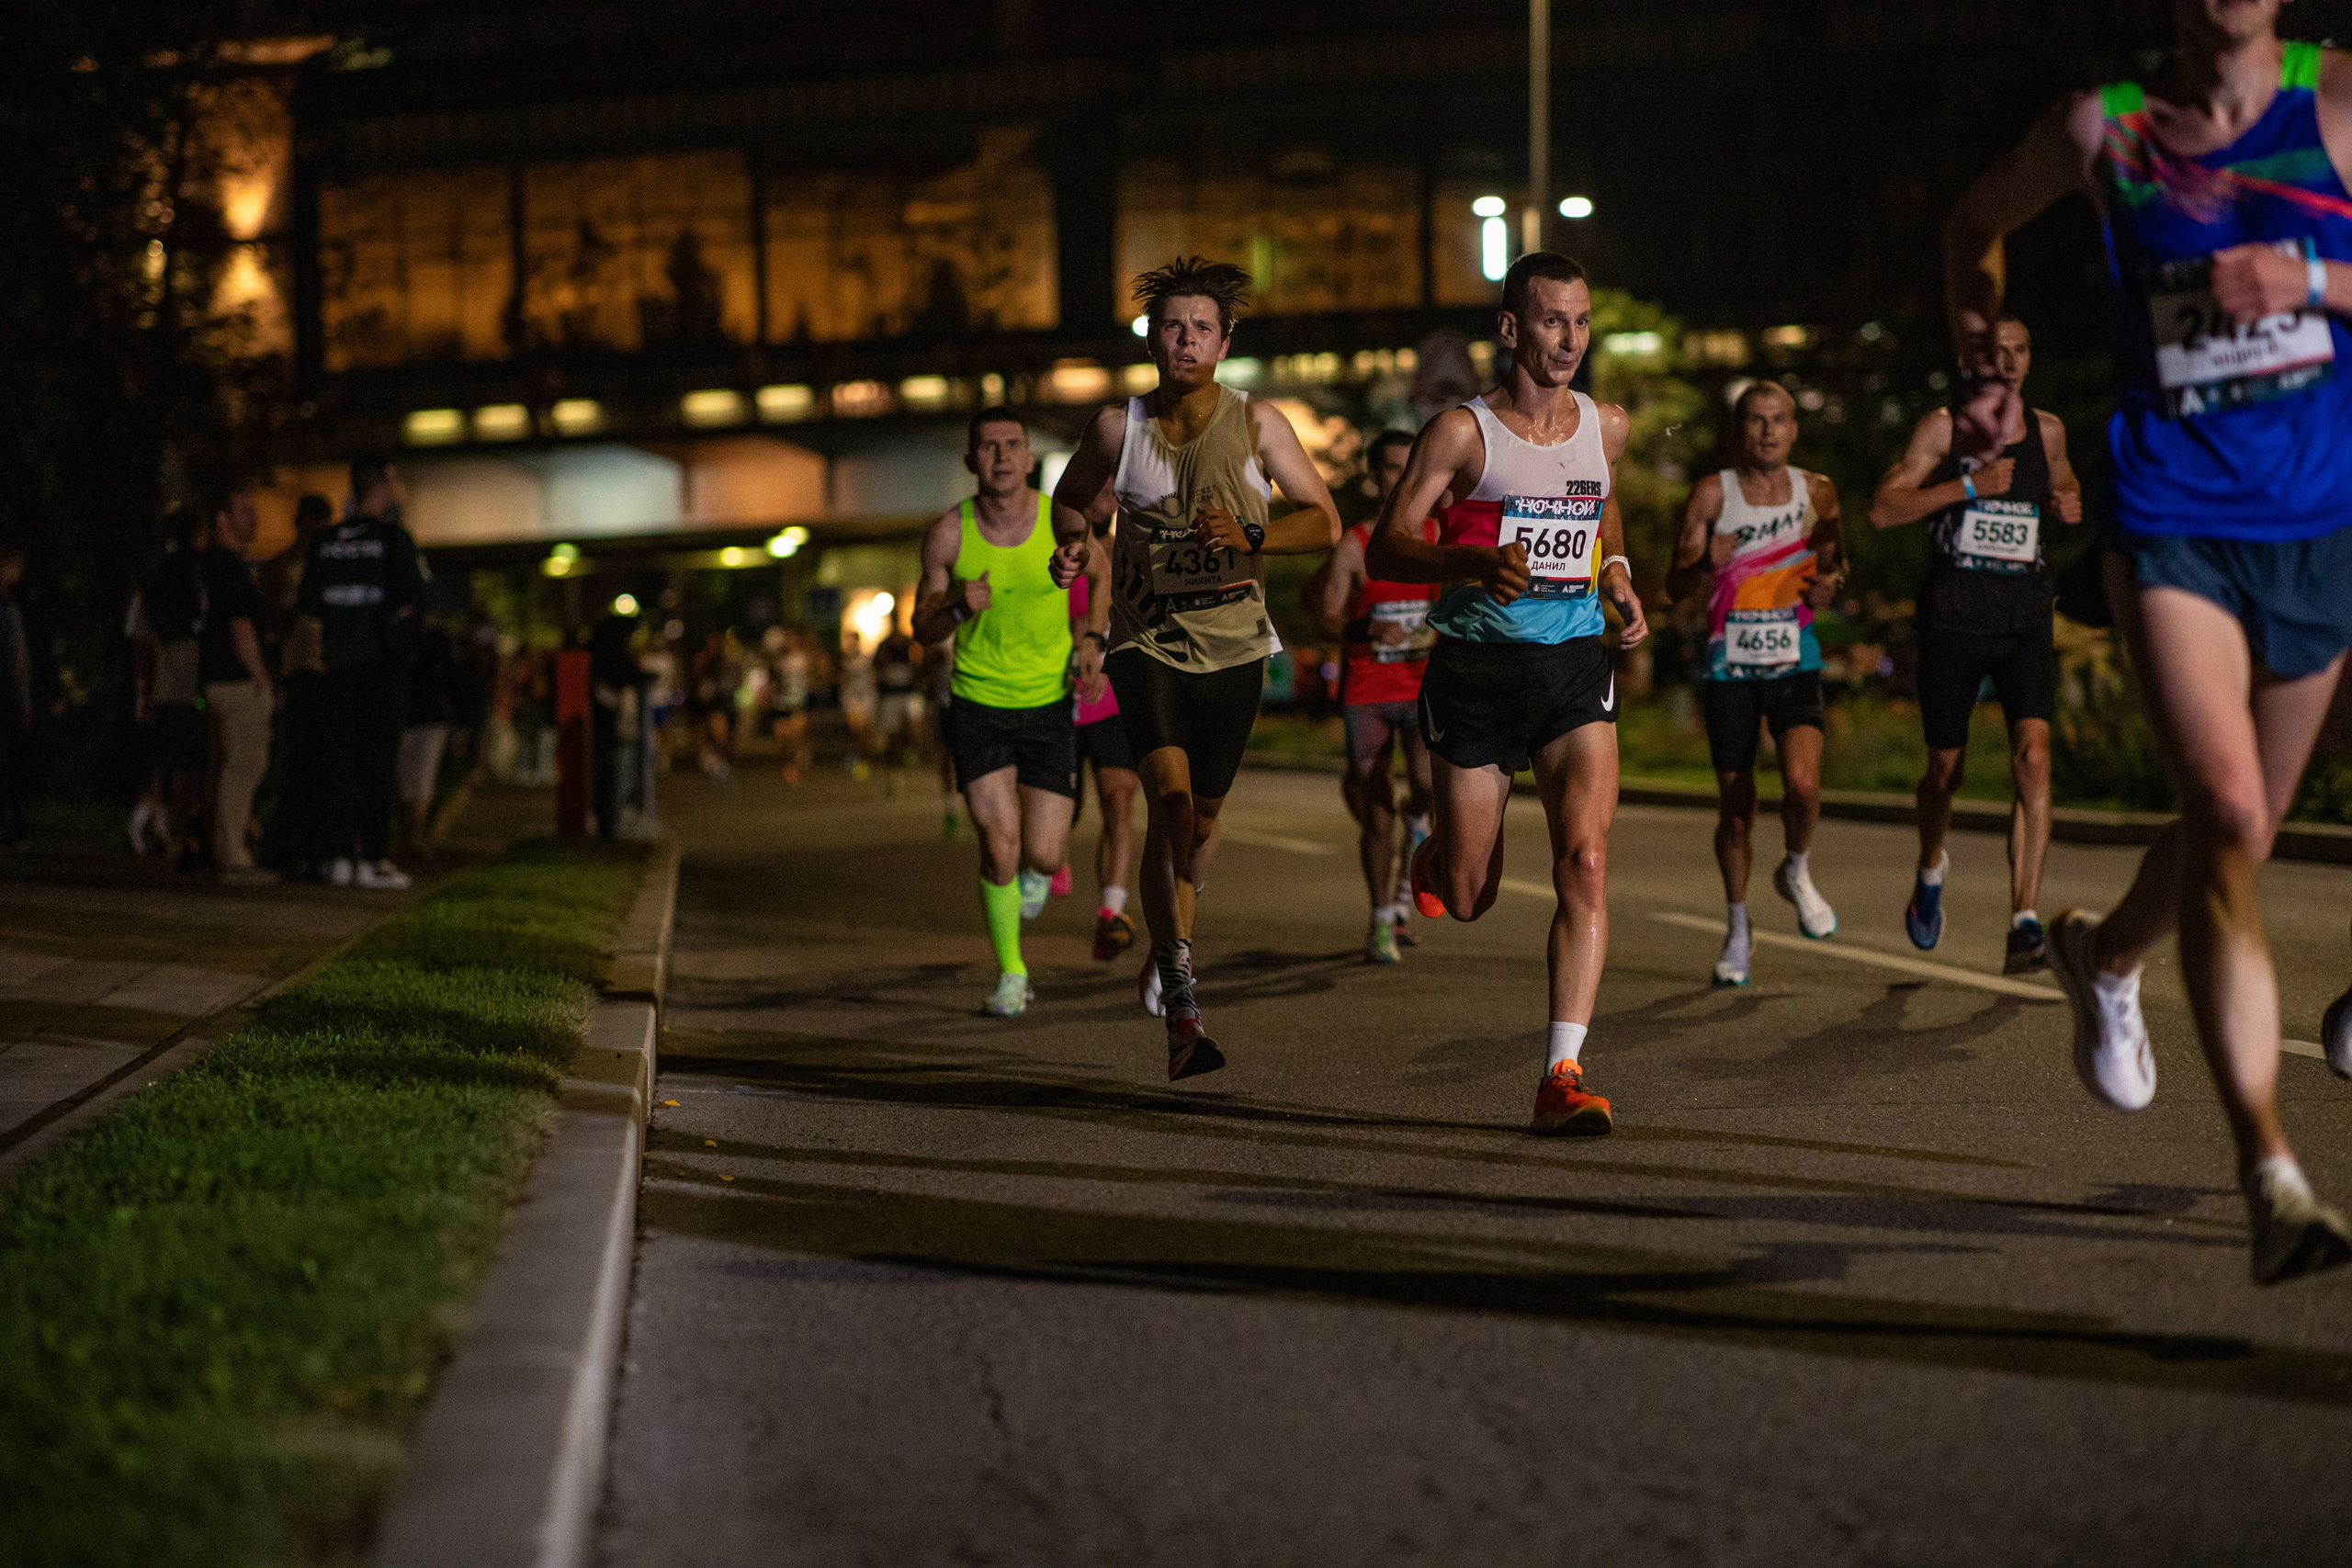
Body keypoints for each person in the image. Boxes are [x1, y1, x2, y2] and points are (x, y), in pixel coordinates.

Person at [1946, 2, 2352, 1280]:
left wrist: (2313, 280)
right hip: (2171, 514)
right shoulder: (2105, 130)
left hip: (2321, 519)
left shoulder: (2338, 106)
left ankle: (2103, 951)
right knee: (2228, 811)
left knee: (2245, 828)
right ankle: (2272, 1178)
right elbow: (1972, 228)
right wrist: (1981, 365)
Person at [1366, 251, 1650, 1136]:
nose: (1570, 339)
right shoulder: (1462, 433)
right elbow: (1386, 546)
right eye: (1552, 320)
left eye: (1582, 320)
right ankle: (1436, 859)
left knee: (1587, 862)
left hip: (1570, 668)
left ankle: (1561, 1072)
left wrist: (1619, 580)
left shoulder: (1606, 425)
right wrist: (1465, 560)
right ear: (1511, 328)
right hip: (1475, 675)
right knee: (1467, 888)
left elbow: (1600, 511)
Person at [1054, 257, 1343, 1078]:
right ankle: (1182, 993)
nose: (1185, 340)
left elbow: (1324, 520)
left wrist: (1251, 537)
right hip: (1145, 642)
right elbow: (1071, 499)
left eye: (1201, 328)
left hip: (1237, 647)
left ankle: (1173, 933)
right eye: (1171, 326)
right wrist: (1071, 543)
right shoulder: (1120, 427)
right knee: (1170, 802)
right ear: (1151, 336)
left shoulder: (1259, 426)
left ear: (1224, 341)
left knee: (1203, 826)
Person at [1870, 316, 2085, 972]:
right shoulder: (1945, 428)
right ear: (1976, 360)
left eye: (2021, 350)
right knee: (1945, 770)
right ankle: (1931, 864)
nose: (2011, 361)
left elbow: (2066, 484)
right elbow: (1883, 508)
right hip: (1953, 621)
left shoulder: (2047, 431)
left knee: (2034, 758)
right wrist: (1965, 486)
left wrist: (2069, 497)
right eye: (1999, 352)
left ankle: (2023, 919)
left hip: (2023, 619)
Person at [910, 407, 1101, 1020]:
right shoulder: (948, 533)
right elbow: (921, 629)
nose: (999, 456)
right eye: (987, 446)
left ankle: (1041, 871)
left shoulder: (1060, 518)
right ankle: (1012, 974)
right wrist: (957, 608)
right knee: (1000, 846)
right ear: (971, 460)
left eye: (1011, 445)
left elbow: (1105, 577)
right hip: (978, 704)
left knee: (1044, 854)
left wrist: (1092, 640)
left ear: (1027, 456)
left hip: (1048, 704)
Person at [1665, 381, 1847, 985]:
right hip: (1730, 668)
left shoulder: (1817, 492)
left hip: (1795, 658)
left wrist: (1830, 585)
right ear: (1740, 430)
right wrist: (1701, 562)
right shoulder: (1713, 493)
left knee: (1802, 782)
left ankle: (1796, 868)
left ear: (1795, 429)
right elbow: (1675, 586)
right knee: (1737, 811)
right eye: (1755, 421)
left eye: (1778, 420)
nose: (1767, 431)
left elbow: (1834, 562)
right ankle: (1738, 927)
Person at [1314, 429, 1440, 964]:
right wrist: (1364, 631)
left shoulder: (1437, 534)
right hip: (1368, 691)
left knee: (1430, 790)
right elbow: (1326, 614)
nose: (1398, 476)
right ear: (1373, 476)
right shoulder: (1356, 544)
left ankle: (1420, 830)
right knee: (1378, 812)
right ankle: (1382, 919)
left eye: (1407, 466)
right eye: (1388, 467)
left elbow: (1463, 598)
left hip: (1424, 688)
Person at [300, 456, 428, 891]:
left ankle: (337, 857)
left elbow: (310, 604)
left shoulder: (326, 541)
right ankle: (372, 858)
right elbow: (417, 597)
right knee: (377, 763)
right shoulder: (393, 540)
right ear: (381, 487)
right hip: (380, 668)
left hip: (336, 667)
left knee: (339, 760)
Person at [195, 491, 277, 885]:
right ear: (222, 518)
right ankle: (231, 853)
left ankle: (217, 847)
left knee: (222, 765)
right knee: (243, 766)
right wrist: (261, 677)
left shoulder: (205, 565)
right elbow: (241, 627)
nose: (253, 520)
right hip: (236, 678)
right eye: (244, 511)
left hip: (210, 677)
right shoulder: (229, 567)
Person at [128, 508, 210, 869]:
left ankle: (187, 833)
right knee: (202, 757)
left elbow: (142, 641)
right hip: (201, 675)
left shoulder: (155, 579)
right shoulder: (202, 572)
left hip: (168, 680)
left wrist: (143, 692)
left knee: (178, 760)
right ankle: (198, 829)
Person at [1068, 565, 1140, 960]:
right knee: (1065, 810)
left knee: (1118, 801)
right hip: (1058, 694)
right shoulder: (1058, 553)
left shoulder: (1128, 549)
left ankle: (1111, 912)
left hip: (1112, 697)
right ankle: (1043, 863)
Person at [261, 493, 334, 875]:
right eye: (313, 522)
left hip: (327, 671)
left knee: (323, 764)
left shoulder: (330, 566)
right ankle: (288, 845)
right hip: (297, 671)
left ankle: (315, 846)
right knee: (298, 763)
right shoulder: (283, 566)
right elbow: (270, 625)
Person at [398, 615, 458, 857]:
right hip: (421, 715)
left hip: (420, 715)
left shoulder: (409, 638)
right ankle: (411, 836)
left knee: (414, 776)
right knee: (417, 776)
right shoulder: (431, 641)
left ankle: (412, 835)